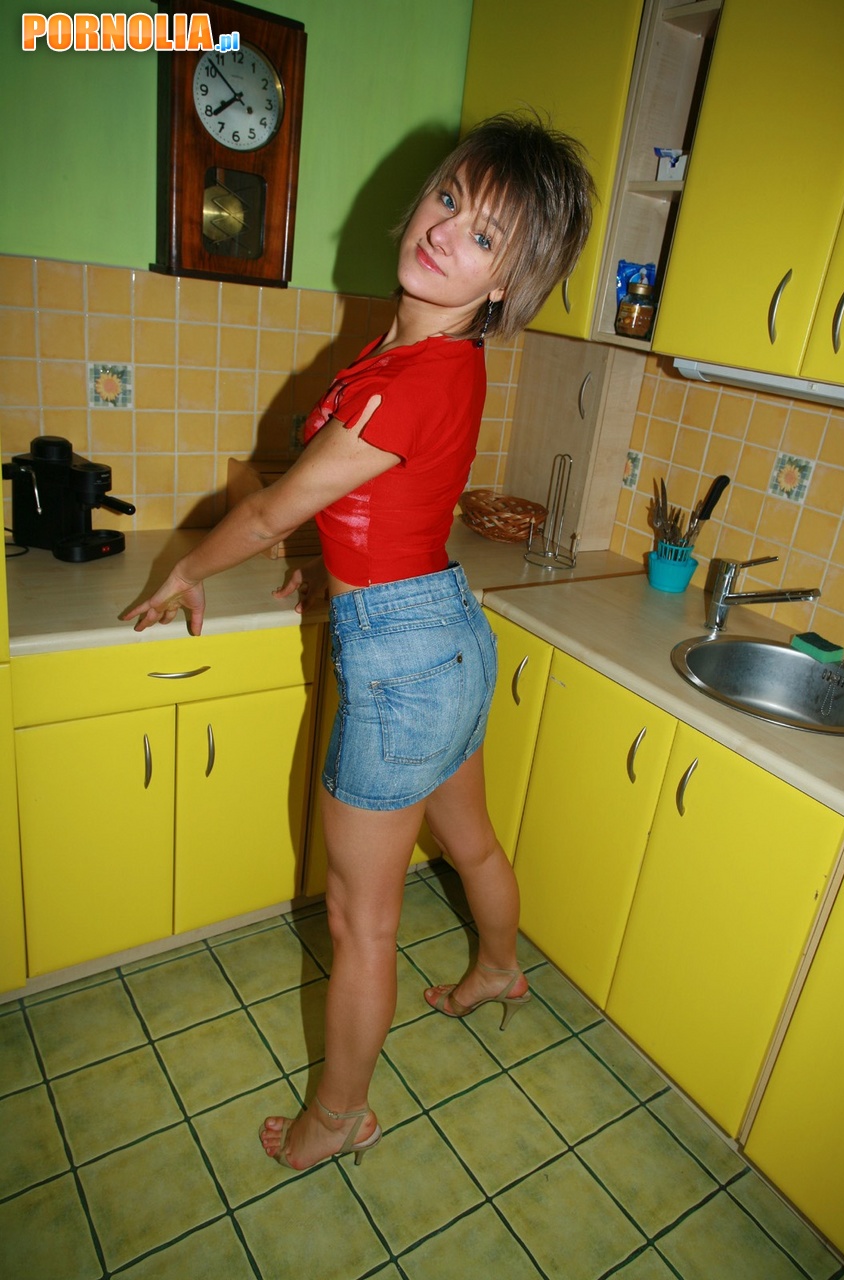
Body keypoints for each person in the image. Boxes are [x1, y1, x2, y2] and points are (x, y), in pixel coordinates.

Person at [123, 112, 595, 1171]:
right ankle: (499, 969)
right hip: (446, 630)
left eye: (485, 235)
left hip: (399, 664)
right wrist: (330, 562)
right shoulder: (434, 356)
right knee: (471, 843)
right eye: (448, 199)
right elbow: (385, 500)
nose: (446, 231)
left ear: (506, 286)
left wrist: (186, 569)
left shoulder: (403, 377)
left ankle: (336, 1118)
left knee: (359, 918)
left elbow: (267, 511)